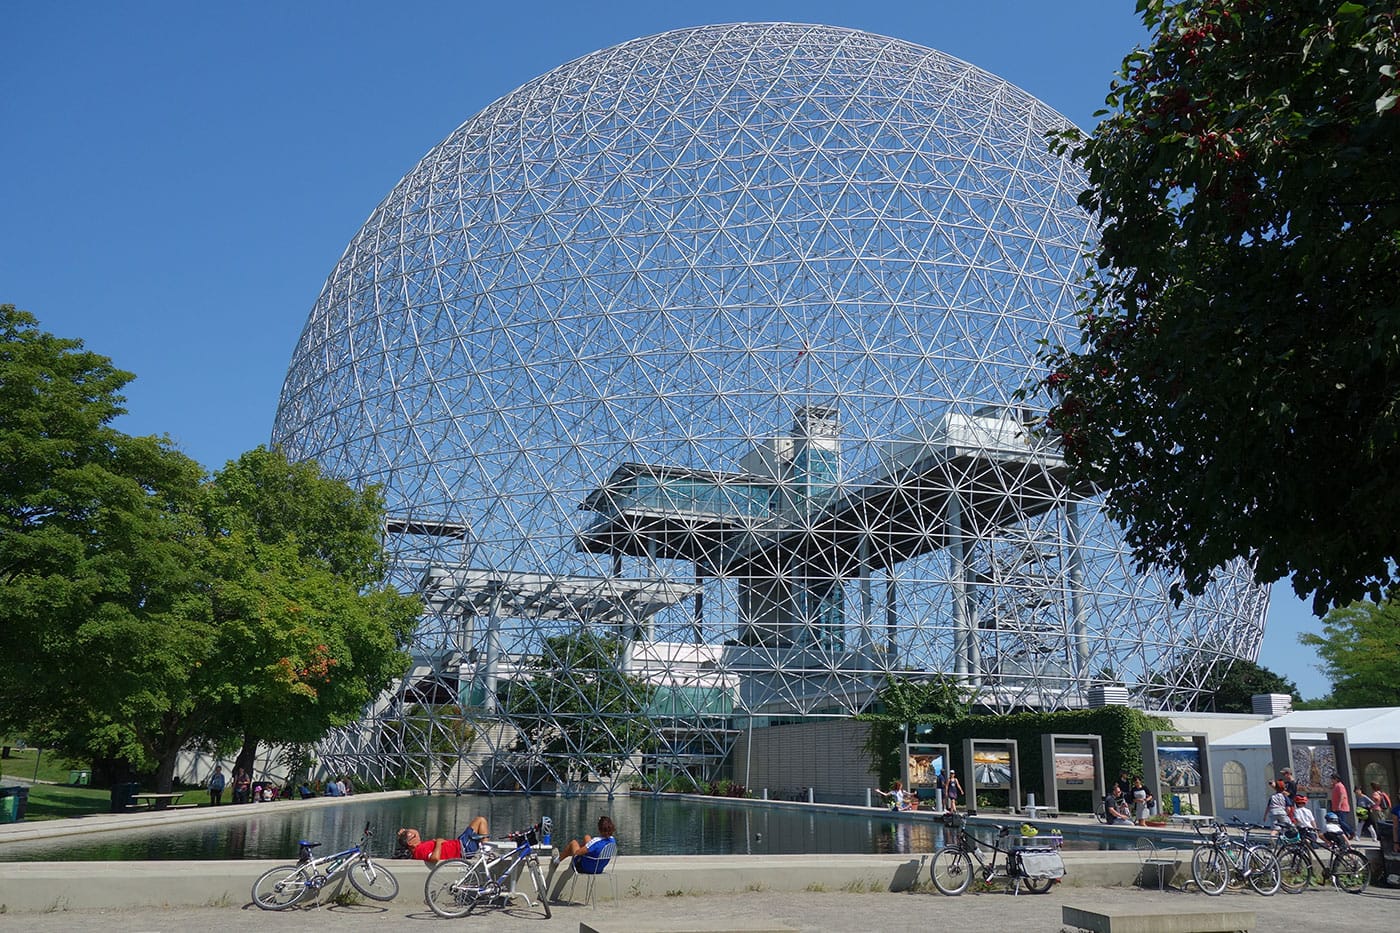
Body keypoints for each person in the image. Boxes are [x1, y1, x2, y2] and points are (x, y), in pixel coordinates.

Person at [548, 815, 616, 885]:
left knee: (573, 843)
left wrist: (578, 849)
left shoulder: (596, 842)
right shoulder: (612, 840)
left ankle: (556, 861)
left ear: (599, 829)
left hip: (584, 867)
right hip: (599, 869)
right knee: (587, 837)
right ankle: (564, 855)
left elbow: (577, 853)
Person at [397, 816, 491, 864]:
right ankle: (486, 852)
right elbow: (435, 858)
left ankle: (485, 849)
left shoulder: (417, 848)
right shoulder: (420, 850)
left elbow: (405, 838)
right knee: (481, 820)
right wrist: (438, 842)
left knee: (478, 821)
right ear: (410, 843)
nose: (417, 835)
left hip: (459, 843)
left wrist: (403, 832)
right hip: (462, 848)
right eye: (414, 836)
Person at [1329, 772, 1354, 839]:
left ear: (1336, 779)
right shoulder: (1335, 786)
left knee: (1341, 821)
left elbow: (1342, 796)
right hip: (1336, 807)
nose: (1331, 780)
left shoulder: (1340, 786)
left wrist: (1339, 805)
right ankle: (1345, 835)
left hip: (1341, 808)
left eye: (1332, 779)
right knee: (1339, 822)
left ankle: (1351, 831)